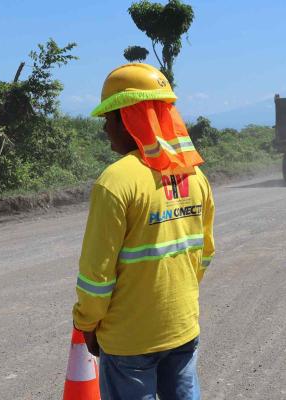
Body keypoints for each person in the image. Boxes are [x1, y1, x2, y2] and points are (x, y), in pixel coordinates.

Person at [72, 63, 215, 400]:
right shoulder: (195, 176)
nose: (105, 127)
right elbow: (204, 254)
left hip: (129, 339)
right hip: (181, 326)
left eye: (109, 117)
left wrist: (86, 323)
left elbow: (97, 276)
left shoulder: (115, 181)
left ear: (129, 118)